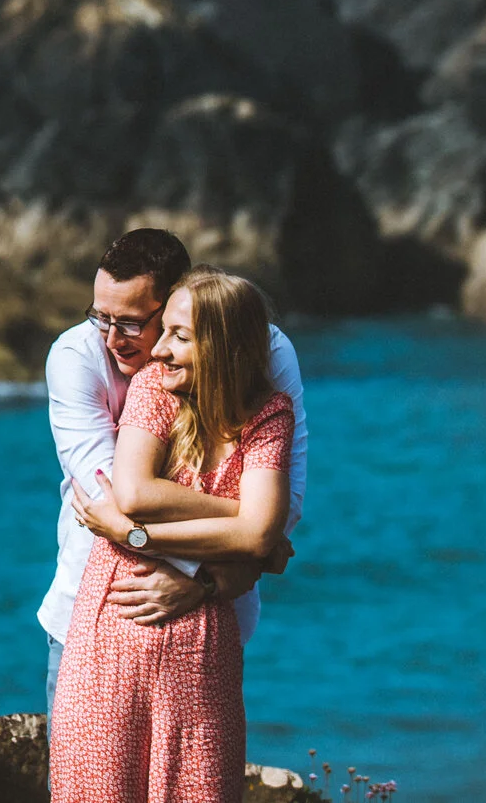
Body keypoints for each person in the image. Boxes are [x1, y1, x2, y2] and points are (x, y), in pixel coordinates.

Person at [48, 266, 297, 803]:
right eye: (162, 332)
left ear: (225, 348)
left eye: (178, 336)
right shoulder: (153, 391)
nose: (158, 350)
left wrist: (135, 535)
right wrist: (248, 517)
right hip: (111, 648)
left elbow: (258, 538)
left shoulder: (270, 414)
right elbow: (134, 494)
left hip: (202, 659)